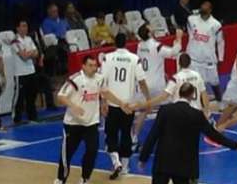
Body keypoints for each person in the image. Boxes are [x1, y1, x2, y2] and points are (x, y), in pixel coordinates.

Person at [139, 83, 237, 184]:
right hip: (184, 166)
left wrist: (143, 157)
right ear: (192, 95)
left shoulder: (165, 110)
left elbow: (153, 135)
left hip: (163, 163)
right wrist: (235, 145)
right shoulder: (196, 115)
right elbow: (214, 135)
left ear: (178, 93)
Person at [54, 55, 132, 184]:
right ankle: (61, 179)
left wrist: (120, 103)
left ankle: (85, 178)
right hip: (73, 124)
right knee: (66, 155)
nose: (93, 68)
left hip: (91, 123)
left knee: (92, 150)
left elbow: (105, 93)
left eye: (95, 65)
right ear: (83, 66)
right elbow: (60, 97)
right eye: (90, 65)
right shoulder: (75, 80)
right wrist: (73, 106)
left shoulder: (99, 79)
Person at [100, 33, 151, 179]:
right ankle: (125, 166)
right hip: (128, 104)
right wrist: (148, 100)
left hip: (112, 103)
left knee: (111, 134)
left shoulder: (107, 58)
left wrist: (103, 101)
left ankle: (116, 162)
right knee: (126, 134)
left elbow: (102, 82)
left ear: (115, 43)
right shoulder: (134, 59)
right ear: (127, 43)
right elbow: (141, 81)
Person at [132, 24, 183, 150]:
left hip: (143, 84)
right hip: (157, 84)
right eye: (150, 28)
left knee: (142, 112)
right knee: (169, 108)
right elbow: (174, 52)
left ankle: (133, 139)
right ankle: (172, 137)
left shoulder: (140, 46)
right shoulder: (157, 46)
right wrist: (179, 38)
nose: (153, 28)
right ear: (149, 33)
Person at [134, 53, 210, 115]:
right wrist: (207, 112)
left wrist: (145, 104)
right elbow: (204, 94)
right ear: (190, 63)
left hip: (182, 114)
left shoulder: (176, 79)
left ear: (179, 63)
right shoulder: (197, 75)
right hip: (196, 113)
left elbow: (163, 97)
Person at [186, 1, 225, 103]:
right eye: (202, 5)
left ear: (210, 10)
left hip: (209, 60)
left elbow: (220, 42)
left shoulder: (216, 24)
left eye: (206, 6)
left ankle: (220, 102)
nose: (203, 7)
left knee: (214, 82)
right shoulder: (191, 19)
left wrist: (220, 58)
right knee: (195, 84)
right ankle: (198, 106)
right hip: (194, 59)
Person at [11, 19, 39, 123]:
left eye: (26, 26)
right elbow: (24, 56)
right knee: (19, 97)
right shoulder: (15, 41)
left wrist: (29, 53)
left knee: (31, 96)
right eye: (23, 26)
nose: (25, 28)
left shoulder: (29, 39)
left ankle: (32, 116)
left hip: (31, 71)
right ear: (18, 28)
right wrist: (31, 52)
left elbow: (37, 53)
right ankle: (16, 118)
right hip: (20, 73)